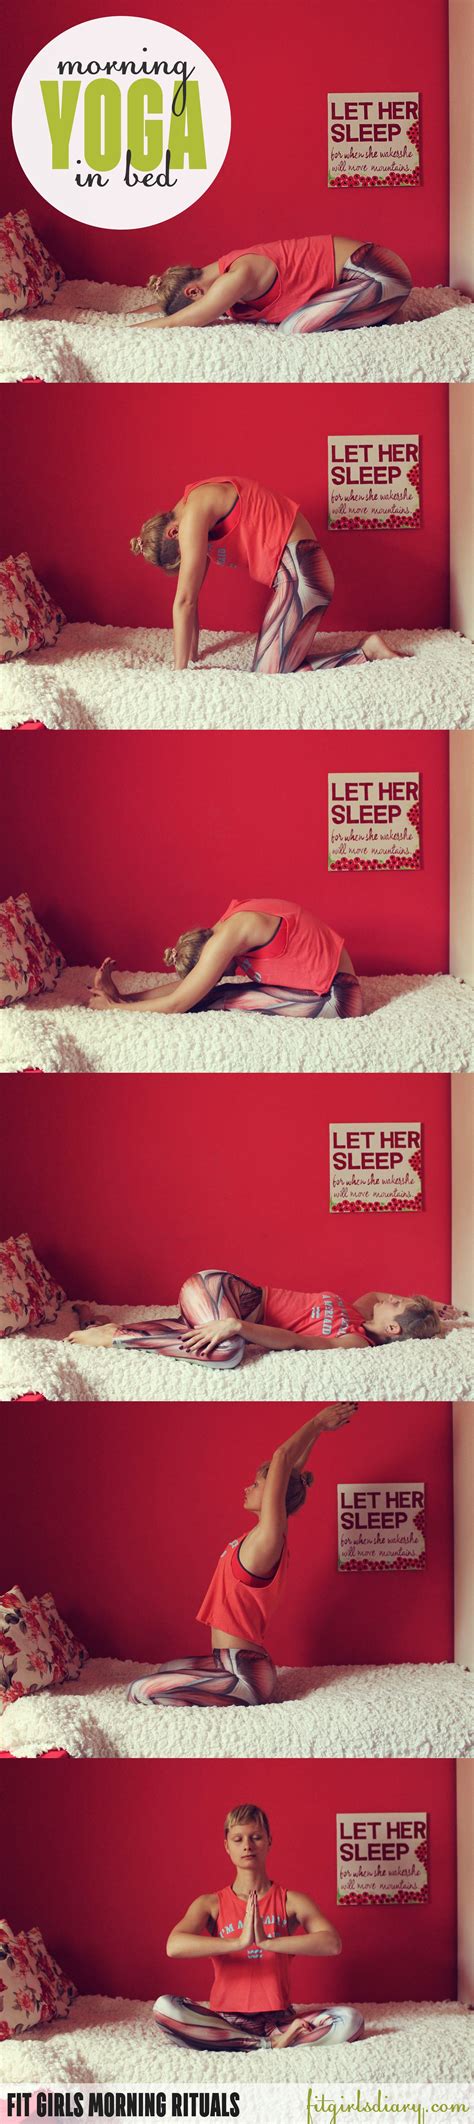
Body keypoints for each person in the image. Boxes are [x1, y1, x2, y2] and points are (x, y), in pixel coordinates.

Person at [128, 1404, 354, 1709]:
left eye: (258, 1483)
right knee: (164, 1670)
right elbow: (290, 1469)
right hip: (224, 1662)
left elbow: (282, 1459)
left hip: (246, 1674)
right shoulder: (255, 1536)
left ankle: (240, 1692)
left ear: (273, 1493)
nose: (248, 1487)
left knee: (139, 1691)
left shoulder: (269, 1536)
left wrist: (316, 1423)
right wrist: (318, 1436)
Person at [130, 473, 407, 676]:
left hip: (302, 573)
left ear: (173, 532)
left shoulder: (193, 515)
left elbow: (184, 601)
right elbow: (193, 599)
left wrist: (178, 675)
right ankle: (364, 652)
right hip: (296, 572)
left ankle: (366, 652)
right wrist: (190, 656)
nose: (191, 556)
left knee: (269, 675)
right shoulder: (197, 506)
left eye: (183, 554)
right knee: (274, 668)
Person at [153, 1801, 364, 2051]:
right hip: (226, 2020)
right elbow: (173, 1945)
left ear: (269, 1841)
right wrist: (238, 1942)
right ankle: (267, 2044)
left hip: (278, 2020)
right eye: (238, 1839)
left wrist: (267, 1942)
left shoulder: (291, 1900)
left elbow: (332, 1943)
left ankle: (255, 2042)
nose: (247, 1846)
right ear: (227, 1846)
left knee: (351, 2020)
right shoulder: (210, 1903)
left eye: (256, 1837)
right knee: (164, 2008)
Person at [87, 897, 363, 1020]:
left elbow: (178, 1003)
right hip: (325, 984)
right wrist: (125, 998)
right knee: (219, 992)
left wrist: (113, 1009)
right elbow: (192, 987)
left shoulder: (229, 937)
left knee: (222, 998)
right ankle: (127, 999)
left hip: (340, 998)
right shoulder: (226, 924)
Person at [68, 1282, 444, 1365]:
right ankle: (114, 1335)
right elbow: (377, 1295)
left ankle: (104, 1329)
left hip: (216, 1311)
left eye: (398, 1304)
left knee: (226, 1346)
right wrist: (435, 1308)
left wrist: (238, 1326)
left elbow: (297, 1342)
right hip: (221, 1290)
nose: (391, 1298)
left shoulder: (356, 1341)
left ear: (393, 1330)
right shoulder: (362, 1311)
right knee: (227, 1350)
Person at [129, 234, 412, 334]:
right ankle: (382, 312)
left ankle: (386, 313)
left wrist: (122, 333)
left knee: (295, 327)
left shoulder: (236, 276)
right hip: (361, 282)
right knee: (296, 322)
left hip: (377, 271)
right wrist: (128, 316)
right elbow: (175, 311)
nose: (215, 308)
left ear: (195, 291)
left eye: (203, 302)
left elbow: (184, 320)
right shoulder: (216, 280)